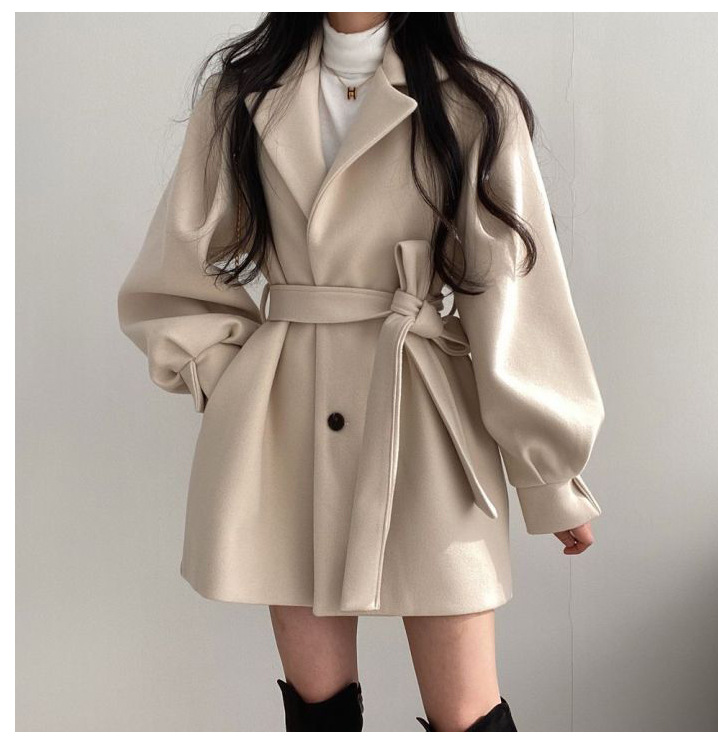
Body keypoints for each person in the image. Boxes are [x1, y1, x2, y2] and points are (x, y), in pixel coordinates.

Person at [117, 12, 605, 732]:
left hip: (426, 420)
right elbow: (173, 276)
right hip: (286, 430)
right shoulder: (241, 96)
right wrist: (239, 389)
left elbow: (515, 299)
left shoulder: (473, 103)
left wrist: (549, 474)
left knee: (467, 714)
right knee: (319, 713)